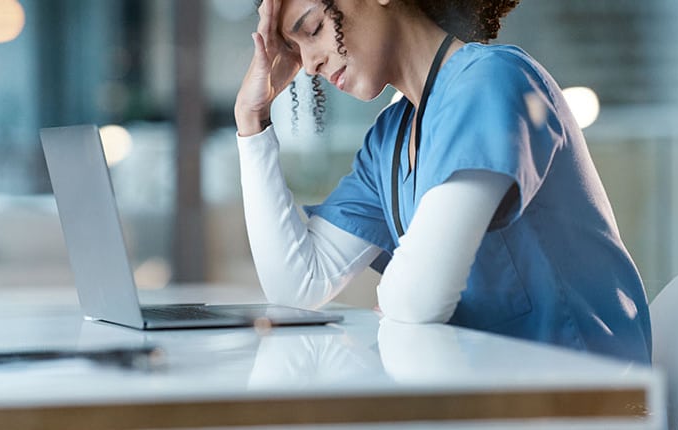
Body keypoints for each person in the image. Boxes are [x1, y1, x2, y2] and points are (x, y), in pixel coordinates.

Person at [234, 0, 652, 363]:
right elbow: (299, 284)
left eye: (313, 29)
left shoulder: (494, 81)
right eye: (294, 48)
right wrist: (251, 120)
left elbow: (418, 299)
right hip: (493, 401)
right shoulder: (391, 139)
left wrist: (405, 297)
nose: (309, 65)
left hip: (583, 402)